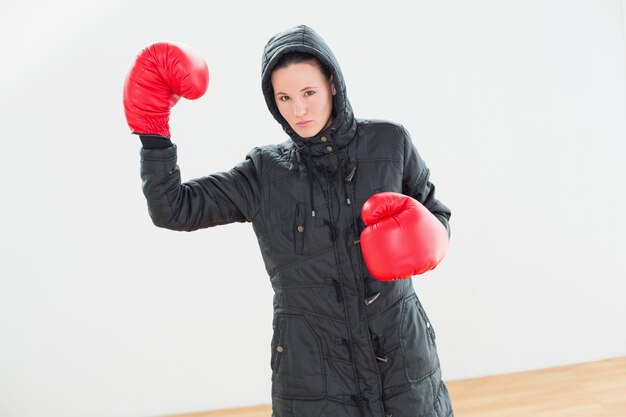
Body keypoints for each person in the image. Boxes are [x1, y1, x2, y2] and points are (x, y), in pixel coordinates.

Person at [124, 25, 453, 417]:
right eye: (284, 97)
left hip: (403, 366)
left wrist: (428, 236)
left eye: (309, 93)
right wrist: (153, 134)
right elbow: (173, 208)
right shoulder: (264, 172)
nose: (298, 110)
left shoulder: (389, 143)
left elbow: (437, 215)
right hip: (315, 379)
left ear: (332, 84)